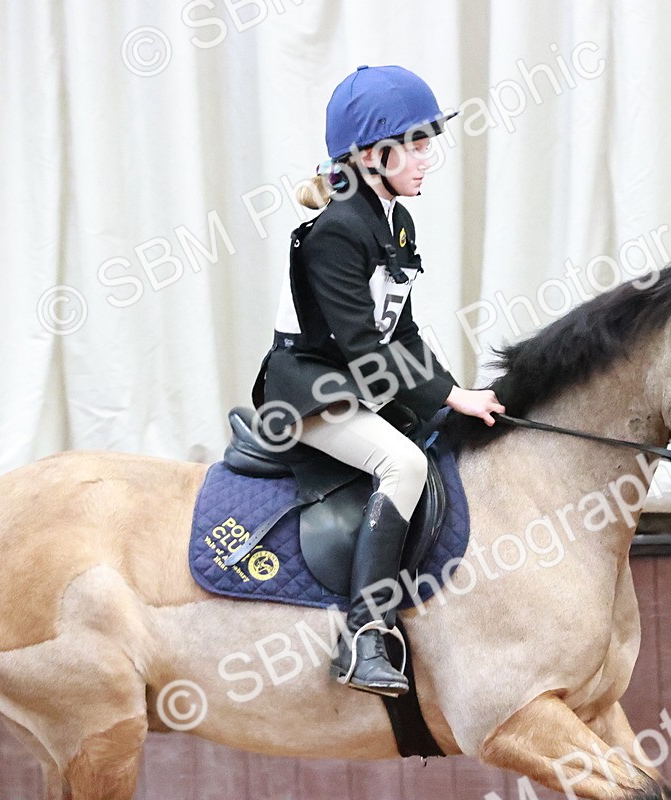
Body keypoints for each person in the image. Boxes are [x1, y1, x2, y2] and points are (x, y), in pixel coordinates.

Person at [250, 65, 504, 697]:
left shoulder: (395, 220)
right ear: (371, 155)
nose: (426, 157)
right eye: (413, 145)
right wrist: (449, 395)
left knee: (441, 435)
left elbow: (405, 334)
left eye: (426, 142)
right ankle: (364, 635)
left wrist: (455, 396)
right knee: (404, 465)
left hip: (353, 381)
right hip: (309, 389)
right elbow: (364, 348)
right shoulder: (339, 230)